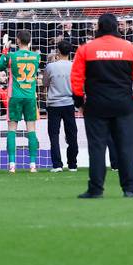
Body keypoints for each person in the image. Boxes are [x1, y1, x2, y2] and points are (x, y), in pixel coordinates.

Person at [71, 13, 133, 199]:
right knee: (126, 148)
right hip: (124, 105)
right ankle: (129, 189)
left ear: (98, 27)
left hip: (96, 105)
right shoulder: (131, 49)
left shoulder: (86, 49)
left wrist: (79, 102)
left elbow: (76, 79)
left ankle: (96, 189)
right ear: (117, 27)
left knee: (97, 148)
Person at [0, 29, 41, 172]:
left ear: (17, 40)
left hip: (14, 96)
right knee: (31, 130)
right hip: (30, 96)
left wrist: (5, 49)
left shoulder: (12, 56)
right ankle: (33, 165)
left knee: (11, 130)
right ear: (30, 41)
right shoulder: (36, 57)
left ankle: (12, 165)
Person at [42, 40, 79, 172]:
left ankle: (57, 164)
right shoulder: (74, 66)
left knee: (54, 134)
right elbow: (78, 84)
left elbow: (45, 83)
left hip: (54, 104)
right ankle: (73, 164)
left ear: (58, 51)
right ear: (70, 52)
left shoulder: (51, 67)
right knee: (72, 134)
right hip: (69, 103)